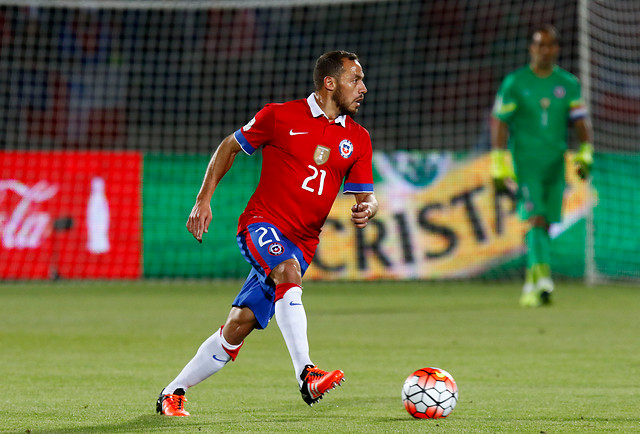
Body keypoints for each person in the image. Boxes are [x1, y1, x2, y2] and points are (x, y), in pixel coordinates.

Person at [156, 50, 378, 416]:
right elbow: (230, 146)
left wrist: (368, 208)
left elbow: (367, 197)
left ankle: (172, 392)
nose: (363, 88)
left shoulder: (358, 138)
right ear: (329, 83)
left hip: (305, 242)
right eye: (356, 79)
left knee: (238, 326)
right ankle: (307, 374)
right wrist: (203, 200)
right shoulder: (279, 116)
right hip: (262, 224)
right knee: (287, 270)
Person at [490, 25, 594, 307]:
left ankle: (531, 284)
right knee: (535, 217)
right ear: (531, 48)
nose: (544, 50)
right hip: (526, 163)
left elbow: (580, 120)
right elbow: (500, 121)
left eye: (549, 45)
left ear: (556, 49)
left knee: (545, 222)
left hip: (555, 163)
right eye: (539, 45)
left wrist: (585, 151)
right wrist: (498, 160)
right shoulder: (516, 82)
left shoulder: (568, 83)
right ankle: (545, 277)